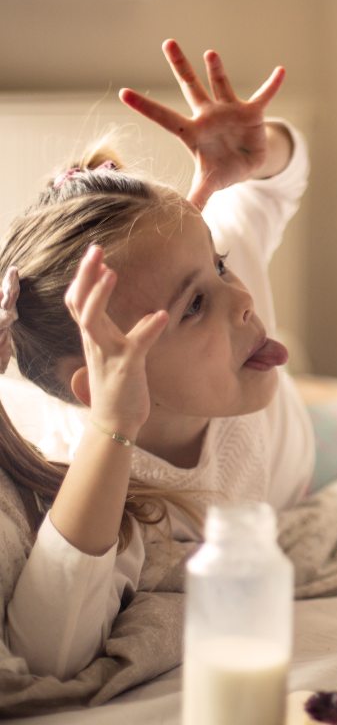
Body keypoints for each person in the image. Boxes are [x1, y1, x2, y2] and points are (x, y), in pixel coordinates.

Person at [0, 39, 315, 680]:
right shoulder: (97, 482)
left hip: (311, 463)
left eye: (219, 264)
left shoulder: (223, 276)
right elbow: (50, 650)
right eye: (195, 305)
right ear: (109, 385)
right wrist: (115, 432)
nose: (241, 297)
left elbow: (281, 184)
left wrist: (262, 152)